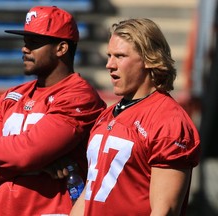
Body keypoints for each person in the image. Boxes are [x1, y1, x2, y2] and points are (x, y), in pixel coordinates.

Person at [0, 5, 106, 216]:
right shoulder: (11, 96)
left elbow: (25, 154)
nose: (24, 48)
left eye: (34, 42)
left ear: (61, 48)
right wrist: (36, 166)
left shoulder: (79, 96)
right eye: (25, 42)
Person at [70, 18, 201, 216]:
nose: (109, 64)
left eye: (120, 56)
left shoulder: (168, 121)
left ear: (150, 58)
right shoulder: (108, 114)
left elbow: (165, 210)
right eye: (109, 56)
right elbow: (92, 190)